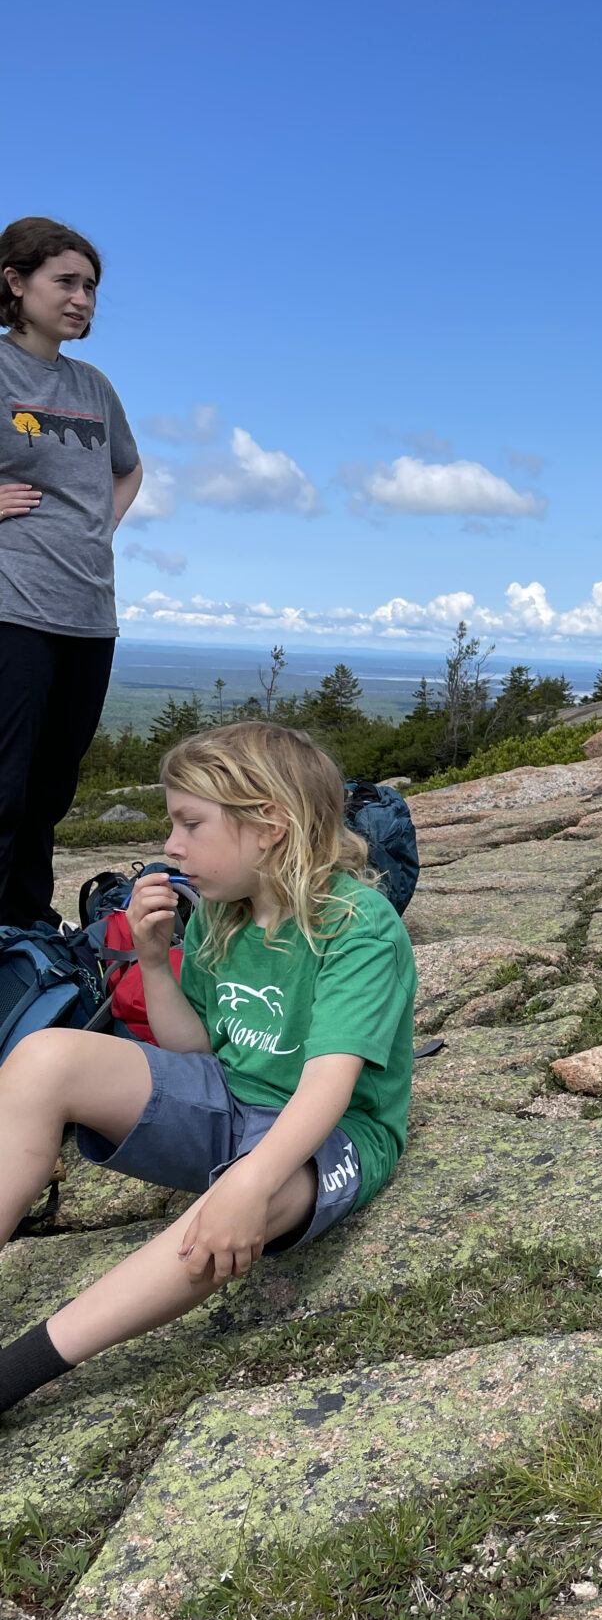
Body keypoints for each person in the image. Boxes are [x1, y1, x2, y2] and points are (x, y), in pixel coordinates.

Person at [0, 723, 417, 1416]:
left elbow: (328, 1085)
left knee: (245, 1208)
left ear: (270, 825)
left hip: (332, 1132)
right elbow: (194, 1050)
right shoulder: (223, 914)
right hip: (229, 1099)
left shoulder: (358, 925)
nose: (171, 845)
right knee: (44, 1056)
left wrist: (248, 1184)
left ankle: (16, 1374)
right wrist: (155, 957)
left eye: (191, 823)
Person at [0, 218, 144, 928]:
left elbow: (129, 466)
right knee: (3, 785)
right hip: (10, 607)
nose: (82, 298)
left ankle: (26, 928)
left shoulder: (92, 385)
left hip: (88, 612)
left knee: (51, 787)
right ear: (15, 281)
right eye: (66, 282)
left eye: (90, 286)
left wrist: (98, 524)